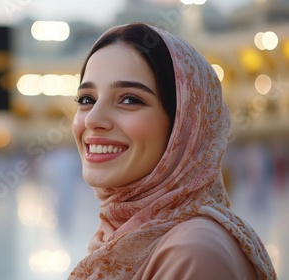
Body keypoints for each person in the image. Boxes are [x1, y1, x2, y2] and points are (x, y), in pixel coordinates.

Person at [68, 23, 277, 279]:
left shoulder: (193, 252)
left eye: (130, 99)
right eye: (87, 99)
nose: (92, 119)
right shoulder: (124, 234)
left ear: (184, 125)